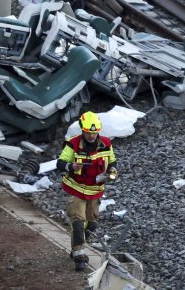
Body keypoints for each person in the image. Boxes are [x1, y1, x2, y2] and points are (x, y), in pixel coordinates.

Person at [57, 110, 117, 270]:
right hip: (76, 189)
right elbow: (60, 163)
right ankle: (79, 257)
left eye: (94, 132)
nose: (92, 136)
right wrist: (71, 166)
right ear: (82, 130)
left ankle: (77, 247)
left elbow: (112, 161)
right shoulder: (73, 144)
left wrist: (112, 171)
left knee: (91, 225)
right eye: (88, 132)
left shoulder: (106, 143)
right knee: (78, 222)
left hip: (95, 191)